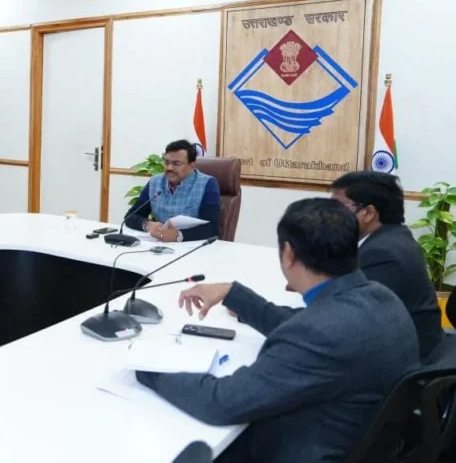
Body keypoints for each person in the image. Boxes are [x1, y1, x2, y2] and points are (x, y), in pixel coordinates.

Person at [136, 198, 419, 463]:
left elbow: (222, 402)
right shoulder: (382, 298)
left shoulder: (319, 332)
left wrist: (149, 369)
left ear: (288, 253)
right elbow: (303, 322)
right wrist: (233, 293)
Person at [331, 171, 442, 361]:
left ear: (368, 213)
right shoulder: (393, 237)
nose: (329, 216)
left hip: (404, 366)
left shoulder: (382, 254)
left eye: (336, 209)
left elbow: (349, 324)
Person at [124, 140, 220, 242]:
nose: (169, 168)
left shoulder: (207, 184)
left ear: (191, 165)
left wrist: (179, 235)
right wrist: (147, 225)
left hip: (194, 245)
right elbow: (130, 217)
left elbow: (212, 228)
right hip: (159, 244)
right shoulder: (155, 182)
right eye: (167, 162)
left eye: (176, 163)